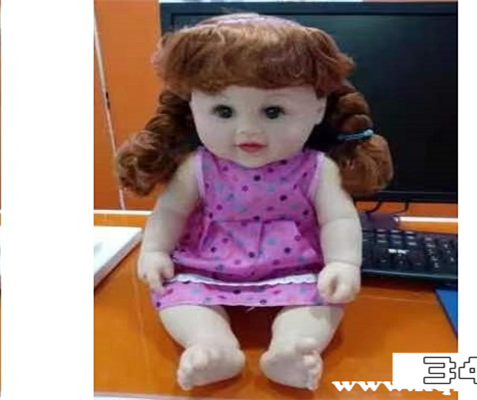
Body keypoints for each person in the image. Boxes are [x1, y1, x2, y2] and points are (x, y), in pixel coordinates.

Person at [116, 12, 393, 391]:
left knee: (319, 302)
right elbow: (170, 211)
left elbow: (339, 220)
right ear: (192, 107)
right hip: (206, 266)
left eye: (273, 111)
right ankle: (210, 345)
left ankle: (292, 349)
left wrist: (343, 262)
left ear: (318, 109)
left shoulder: (318, 169)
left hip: (294, 268)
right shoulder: (197, 167)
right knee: (178, 297)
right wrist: (154, 251)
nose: (247, 130)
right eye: (223, 111)